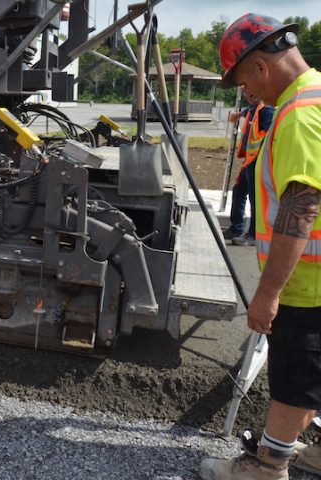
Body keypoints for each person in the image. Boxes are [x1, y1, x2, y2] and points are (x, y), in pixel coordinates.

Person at [199, 12, 321, 480]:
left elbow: (302, 207)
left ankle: (267, 467)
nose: (248, 95)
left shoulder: (298, 114)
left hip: (308, 283)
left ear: (261, 67)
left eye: (243, 83)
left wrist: (267, 294)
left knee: (294, 375)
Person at [223, 89, 274, 247]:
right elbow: (248, 111)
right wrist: (238, 115)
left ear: (255, 94)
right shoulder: (255, 107)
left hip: (259, 162)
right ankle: (237, 228)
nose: (245, 95)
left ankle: (254, 235)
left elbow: (267, 137)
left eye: (247, 92)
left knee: (255, 198)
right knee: (239, 191)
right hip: (250, 162)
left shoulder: (267, 110)